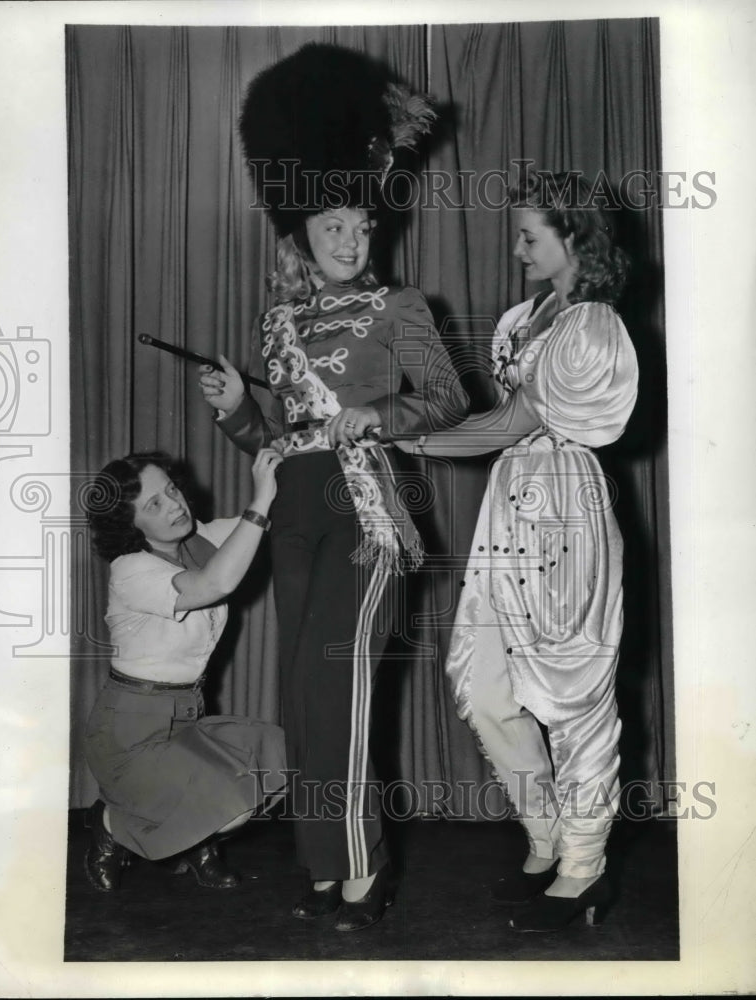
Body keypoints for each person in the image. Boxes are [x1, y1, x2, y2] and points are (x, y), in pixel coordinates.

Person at [198, 43, 469, 932]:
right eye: (333, 231)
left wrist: (380, 415)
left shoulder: (403, 311)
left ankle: (363, 867)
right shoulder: (278, 325)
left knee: (339, 686)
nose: (352, 240)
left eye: (360, 226)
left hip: (365, 512)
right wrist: (241, 413)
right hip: (296, 516)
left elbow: (447, 399)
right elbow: (279, 440)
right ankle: (321, 864)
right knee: (298, 699)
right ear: (302, 239)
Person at [398, 172, 638, 932]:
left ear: (577, 239)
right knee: (481, 679)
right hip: (510, 507)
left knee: (571, 694)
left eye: (530, 235)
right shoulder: (526, 317)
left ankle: (583, 868)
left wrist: (409, 438)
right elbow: (499, 421)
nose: (515, 247)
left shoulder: (591, 327)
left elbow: (509, 424)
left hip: (563, 511)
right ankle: (545, 835)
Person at [83, 448, 287, 892]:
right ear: (129, 524)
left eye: (171, 489)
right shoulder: (131, 569)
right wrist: (260, 499)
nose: (175, 504)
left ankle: (195, 840)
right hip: (130, 730)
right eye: (154, 504)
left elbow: (270, 516)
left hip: (185, 714)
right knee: (232, 809)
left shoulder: (201, 539)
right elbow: (213, 584)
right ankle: (112, 823)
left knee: (283, 758)